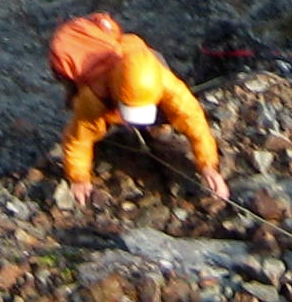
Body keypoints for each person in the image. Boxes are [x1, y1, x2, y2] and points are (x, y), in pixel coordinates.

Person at [48, 12, 228, 210]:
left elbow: (193, 120)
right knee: (88, 122)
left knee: (172, 116)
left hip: (135, 60)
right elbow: (78, 139)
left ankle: (156, 130)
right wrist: (79, 177)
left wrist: (208, 166)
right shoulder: (93, 97)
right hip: (92, 69)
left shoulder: (167, 83)